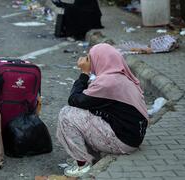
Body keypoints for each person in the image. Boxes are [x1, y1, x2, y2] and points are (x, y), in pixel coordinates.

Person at [56, 43, 149, 177]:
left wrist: (84, 73)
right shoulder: (120, 77)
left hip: (124, 142)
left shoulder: (108, 83)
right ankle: (92, 153)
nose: (89, 61)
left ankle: (82, 165)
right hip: (133, 136)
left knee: (67, 114)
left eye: (90, 58)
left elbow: (75, 100)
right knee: (83, 114)